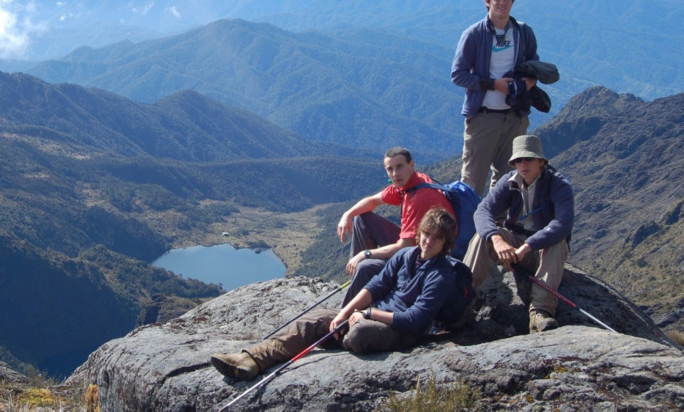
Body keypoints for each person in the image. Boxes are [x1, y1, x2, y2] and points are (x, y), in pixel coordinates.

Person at [211, 209, 458, 381]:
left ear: (445, 243)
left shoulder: (442, 275)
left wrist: (368, 314)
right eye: (427, 234)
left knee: (359, 333)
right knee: (316, 320)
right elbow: (375, 287)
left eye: (437, 238)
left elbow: (416, 319)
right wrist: (343, 313)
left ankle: (341, 336)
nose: (429, 241)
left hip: (401, 331)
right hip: (368, 317)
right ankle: (253, 360)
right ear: (420, 232)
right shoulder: (406, 255)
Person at [462, 135, 574, 333]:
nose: (523, 164)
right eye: (518, 160)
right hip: (514, 245)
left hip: (540, 252)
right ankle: (461, 303)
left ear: (541, 161)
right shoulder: (509, 182)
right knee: (482, 237)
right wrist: (497, 240)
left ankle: (540, 312)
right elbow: (482, 211)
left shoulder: (559, 184)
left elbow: (562, 223)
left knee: (559, 243)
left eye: (529, 159)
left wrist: (528, 246)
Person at [451, 0, 540, 196]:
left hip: (515, 118)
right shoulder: (474, 34)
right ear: (488, 1)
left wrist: (530, 82)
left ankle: (496, 229)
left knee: (508, 184)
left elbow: (535, 65)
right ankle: (467, 229)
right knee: (471, 186)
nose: (502, 2)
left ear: (513, 1)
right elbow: (458, 75)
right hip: (483, 118)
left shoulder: (522, 32)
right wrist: (494, 84)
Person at [336, 146, 454, 305]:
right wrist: (347, 214)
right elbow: (373, 201)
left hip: (428, 255)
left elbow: (405, 247)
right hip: (414, 243)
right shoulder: (408, 184)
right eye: (389, 169)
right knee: (361, 219)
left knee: (366, 266)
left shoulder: (419, 197)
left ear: (411, 165)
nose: (394, 174)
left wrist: (366, 254)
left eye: (399, 167)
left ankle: (343, 319)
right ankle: (359, 281)